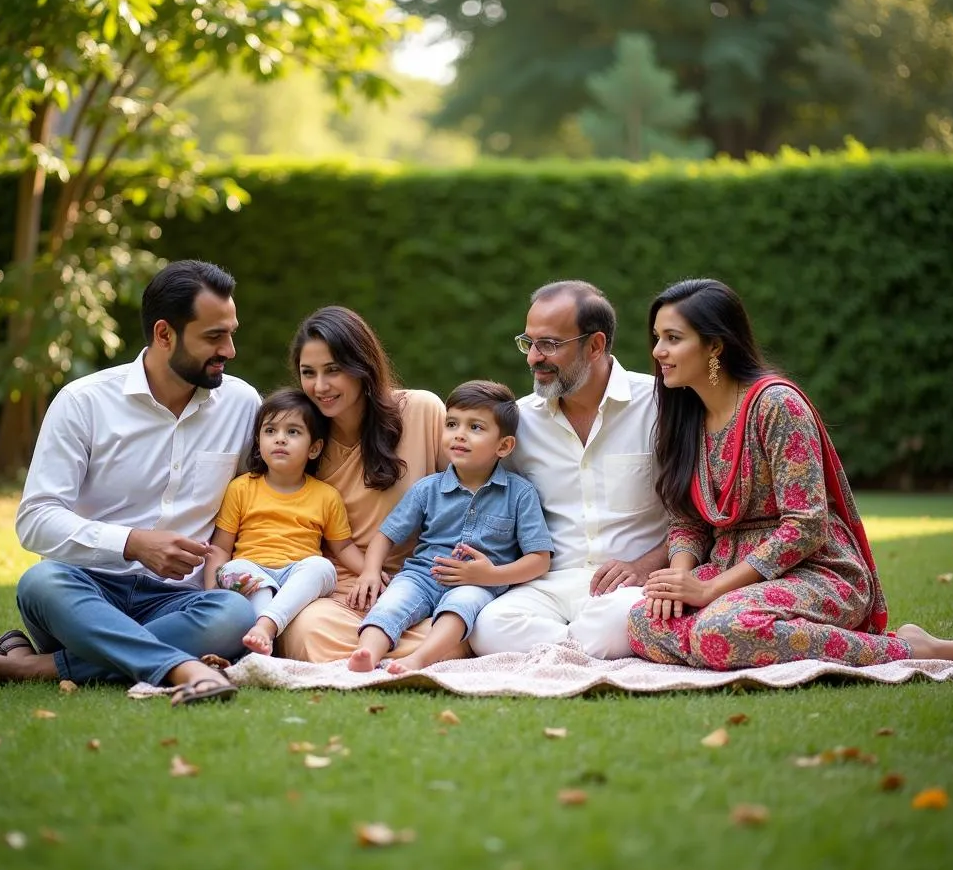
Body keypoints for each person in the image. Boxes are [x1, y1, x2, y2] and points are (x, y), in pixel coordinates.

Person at [0, 259, 261, 705]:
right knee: (41, 584)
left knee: (233, 613)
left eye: (231, 332)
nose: (230, 349)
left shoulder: (243, 404)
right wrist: (133, 543)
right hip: (86, 591)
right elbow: (35, 520)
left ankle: (29, 666)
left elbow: (260, 498)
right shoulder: (83, 402)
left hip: (179, 603)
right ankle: (184, 665)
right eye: (214, 336)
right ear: (163, 334)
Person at [627, 277, 953, 668]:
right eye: (657, 337)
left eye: (673, 338)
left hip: (813, 569)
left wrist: (710, 589)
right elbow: (688, 521)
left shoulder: (776, 406)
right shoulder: (686, 418)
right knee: (642, 621)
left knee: (721, 631)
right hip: (726, 568)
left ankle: (915, 648)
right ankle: (724, 643)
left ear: (715, 346)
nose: (658, 351)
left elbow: (806, 525)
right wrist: (678, 584)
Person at [470, 280, 670, 659]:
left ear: (594, 346)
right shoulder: (520, 422)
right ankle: (584, 650)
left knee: (622, 618)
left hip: (629, 590)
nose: (532, 358)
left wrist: (646, 566)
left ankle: (562, 649)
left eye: (548, 344)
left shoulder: (660, 406)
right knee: (487, 626)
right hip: (549, 585)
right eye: (528, 343)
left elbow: (693, 514)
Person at [277, 306, 458, 663]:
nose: (320, 386)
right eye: (308, 373)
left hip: (418, 584)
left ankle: (386, 655)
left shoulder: (422, 411)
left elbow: (466, 495)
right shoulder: (302, 439)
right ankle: (388, 656)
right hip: (341, 593)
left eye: (333, 370)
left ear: (362, 367)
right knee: (307, 629)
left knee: (465, 625)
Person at [347, 380, 553, 673]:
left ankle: (418, 659)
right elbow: (385, 535)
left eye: (475, 428)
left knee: (459, 609)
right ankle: (366, 653)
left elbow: (539, 559)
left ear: (504, 446)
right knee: (393, 602)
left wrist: (492, 575)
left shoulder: (520, 494)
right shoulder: (427, 489)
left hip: (479, 583)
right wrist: (370, 570)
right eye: (452, 424)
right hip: (421, 574)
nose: (460, 435)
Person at [206, 387, 365, 654]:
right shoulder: (241, 487)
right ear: (258, 442)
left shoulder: (326, 496)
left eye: (293, 432)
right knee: (237, 568)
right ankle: (265, 631)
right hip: (251, 571)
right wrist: (210, 587)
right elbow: (221, 547)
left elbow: (343, 547)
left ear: (314, 448)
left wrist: (371, 572)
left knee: (322, 567)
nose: (280, 439)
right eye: (270, 431)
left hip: (297, 575)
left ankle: (262, 629)